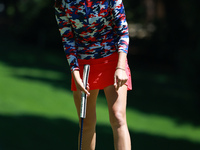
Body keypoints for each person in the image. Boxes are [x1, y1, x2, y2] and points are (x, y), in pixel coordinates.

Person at [55, 0, 132, 149]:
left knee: (118, 117)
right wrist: (75, 74)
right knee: (86, 124)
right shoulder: (63, 3)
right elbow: (68, 40)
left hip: (113, 60)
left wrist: (121, 67)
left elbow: (122, 30)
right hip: (83, 65)